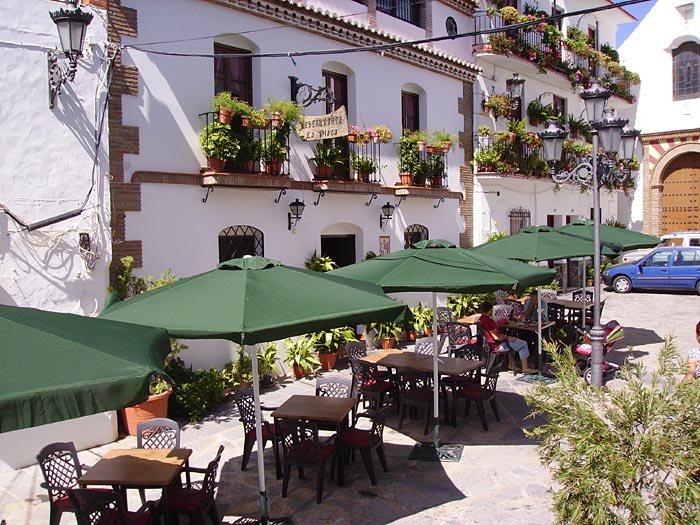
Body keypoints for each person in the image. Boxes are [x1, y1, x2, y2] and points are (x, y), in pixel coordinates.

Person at [477, 302, 536, 374]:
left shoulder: (480, 319)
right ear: (490, 310)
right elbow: (496, 337)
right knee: (523, 344)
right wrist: (507, 337)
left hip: (488, 344)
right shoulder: (489, 321)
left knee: (514, 340)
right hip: (497, 345)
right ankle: (525, 368)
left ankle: (511, 364)